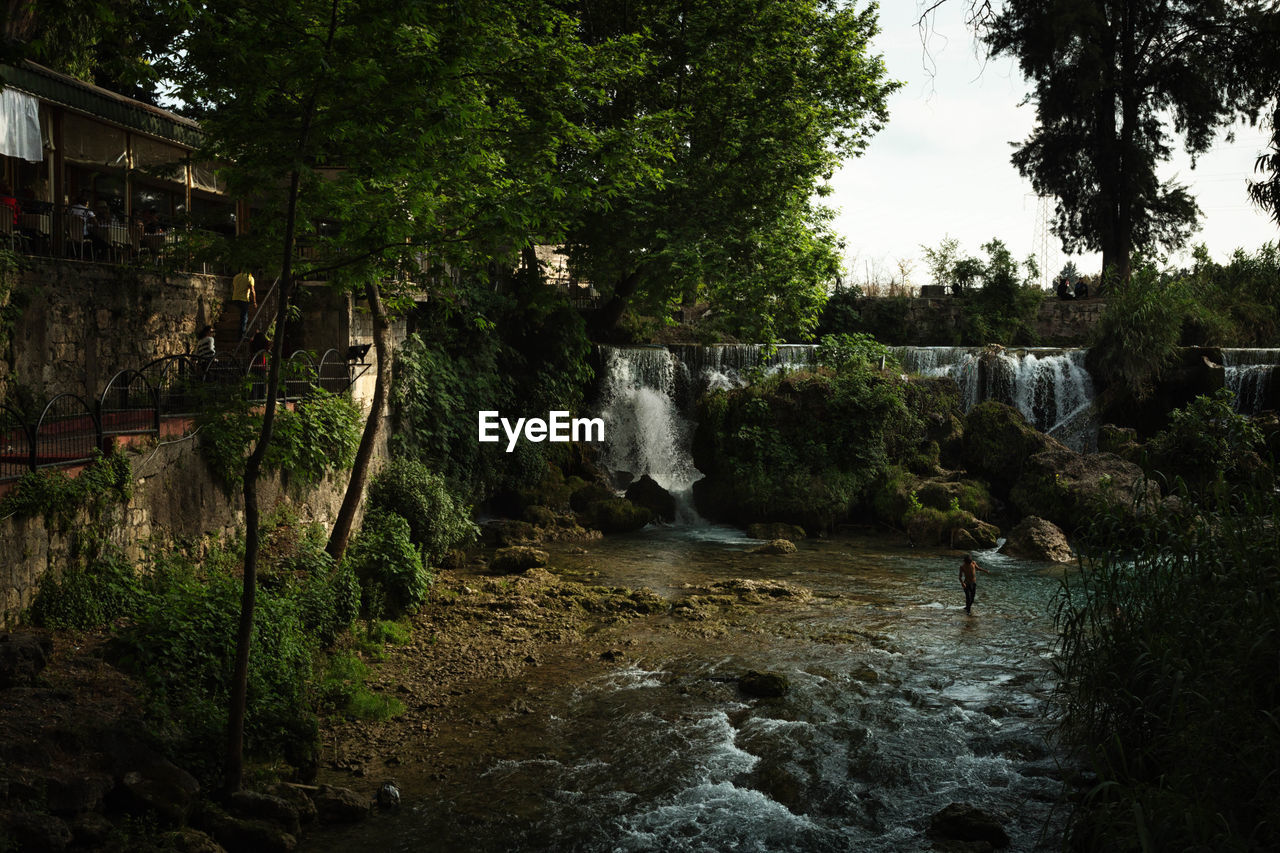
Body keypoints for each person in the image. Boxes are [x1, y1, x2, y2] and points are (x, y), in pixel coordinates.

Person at [231, 271, 257, 340]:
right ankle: (242, 335)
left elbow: (234, 287)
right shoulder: (250, 278)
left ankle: (239, 333)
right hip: (243, 300)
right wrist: (254, 302)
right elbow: (252, 290)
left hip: (235, 299)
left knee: (242, 316)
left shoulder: (236, 277)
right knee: (244, 318)